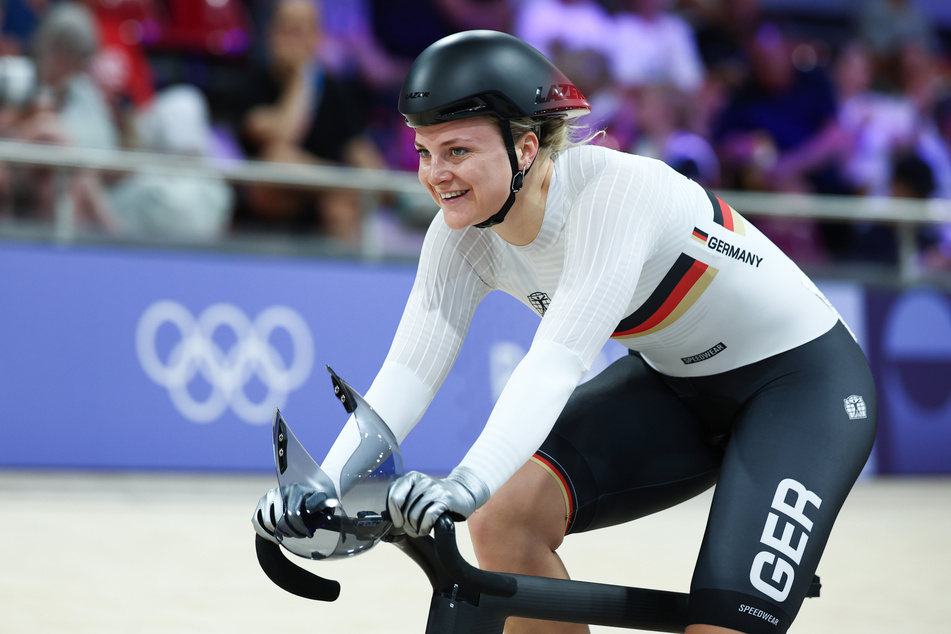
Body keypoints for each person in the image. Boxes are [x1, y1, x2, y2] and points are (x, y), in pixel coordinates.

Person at [252, 31, 878, 634]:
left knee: (721, 624)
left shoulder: (613, 196)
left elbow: (554, 363)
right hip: (675, 383)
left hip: (802, 389)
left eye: (458, 151)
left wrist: (463, 484)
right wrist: (323, 485)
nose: (435, 174)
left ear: (525, 149)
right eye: (424, 152)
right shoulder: (456, 235)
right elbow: (409, 374)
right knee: (502, 522)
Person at [229, 0, 385, 244]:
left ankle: (347, 278)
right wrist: (303, 78)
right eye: (289, 29)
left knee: (341, 208)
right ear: (271, 34)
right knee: (278, 158)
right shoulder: (251, 83)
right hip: (270, 203)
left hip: (324, 201)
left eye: (305, 30)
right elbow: (283, 136)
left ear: (318, 37)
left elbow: (366, 160)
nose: (297, 40)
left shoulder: (337, 90)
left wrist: (369, 182)